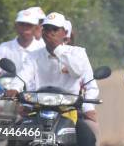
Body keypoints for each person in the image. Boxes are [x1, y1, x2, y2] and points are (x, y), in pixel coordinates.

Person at [16, 12, 99, 146]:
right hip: (37, 111)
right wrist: (13, 88)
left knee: (88, 138)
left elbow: (78, 72)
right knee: (12, 136)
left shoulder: (78, 53)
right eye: (47, 29)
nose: (51, 33)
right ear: (42, 32)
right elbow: (22, 76)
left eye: (55, 29)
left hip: (69, 111)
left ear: (64, 33)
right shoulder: (33, 56)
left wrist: (88, 108)